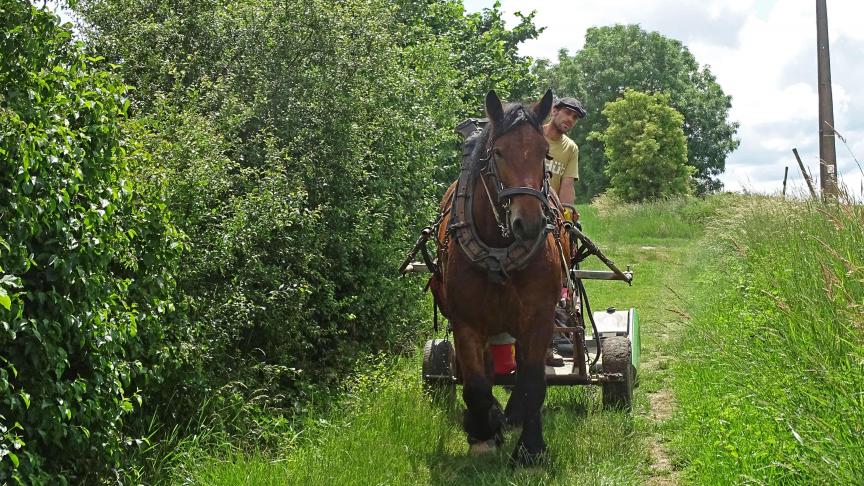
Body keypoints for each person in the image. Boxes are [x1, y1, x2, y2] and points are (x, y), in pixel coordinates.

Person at [543, 96, 586, 366]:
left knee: (563, 259)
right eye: (567, 114)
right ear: (554, 111)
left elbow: (566, 184)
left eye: (574, 118)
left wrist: (566, 213)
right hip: (523, 207)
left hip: (551, 213)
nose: (569, 120)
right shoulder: (532, 135)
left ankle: (560, 316)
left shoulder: (570, 148)